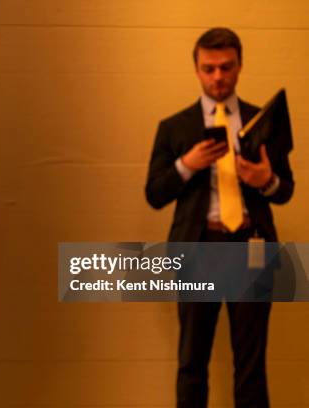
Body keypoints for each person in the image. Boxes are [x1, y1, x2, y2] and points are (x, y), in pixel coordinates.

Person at [145, 28, 294, 407]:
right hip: (199, 250)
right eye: (208, 68)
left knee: (251, 363)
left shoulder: (265, 120)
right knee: (192, 361)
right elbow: (154, 194)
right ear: (196, 69)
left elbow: (287, 190)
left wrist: (267, 180)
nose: (217, 77)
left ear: (240, 66)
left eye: (226, 67)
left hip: (252, 248)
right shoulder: (174, 127)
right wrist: (186, 165)